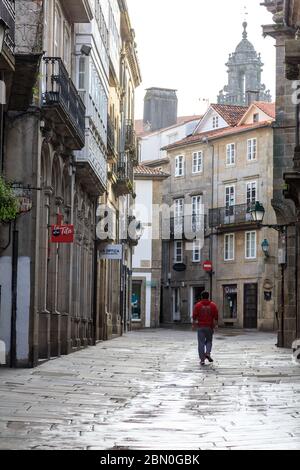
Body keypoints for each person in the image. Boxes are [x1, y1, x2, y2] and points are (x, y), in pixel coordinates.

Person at [192, 291, 219, 366]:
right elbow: (216, 315)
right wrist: (216, 325)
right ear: (208, 296)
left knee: (201, 343)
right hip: (209, 326)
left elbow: (194, 316)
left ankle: (202, 360)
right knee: (209, 341)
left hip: (200, 326)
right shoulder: (213, 305)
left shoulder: (198, 305)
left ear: (201, 297)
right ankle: (207, 353)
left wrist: (193, 324)